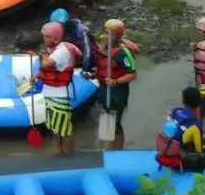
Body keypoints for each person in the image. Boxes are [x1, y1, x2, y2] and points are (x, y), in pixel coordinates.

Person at [34, 21, 82, 156]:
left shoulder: (62, 52)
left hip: (60, 95)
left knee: (64, 128)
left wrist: (43, 53)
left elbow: (46, 64)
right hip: (49, 94)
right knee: (54, 127)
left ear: (56, 37)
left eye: (47, 36)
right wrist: (37, 76)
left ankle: (67, 153)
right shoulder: (53, 49)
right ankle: (57, 151)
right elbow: (50, 70)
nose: (44, 39)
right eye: (44, 36)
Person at [93, 19, 138, 150]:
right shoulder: (102, 48)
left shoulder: (124, 53)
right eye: (106, 33)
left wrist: (115, 81)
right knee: (106, 119)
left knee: (115, 122)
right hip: (103, 89)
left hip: (117, 92)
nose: (108, 36)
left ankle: (118, 151)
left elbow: (133, 74)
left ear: (118, 36)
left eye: (111, 34)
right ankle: (108, 148)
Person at [156, 87, 205, 173]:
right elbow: (198, 149)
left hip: (166, 148)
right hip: (180, 156)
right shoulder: (196, 125)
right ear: (200, 103)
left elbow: (170, 123)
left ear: (183, 101)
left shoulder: (175, 111)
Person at [49, 8, 96, 73]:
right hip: (69, 59)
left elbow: (88, 51)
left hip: (85, 58)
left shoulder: (81, 30)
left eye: (64, 24)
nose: (62, 27)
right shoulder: (54, 30)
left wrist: (86, 69)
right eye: (58, 25)